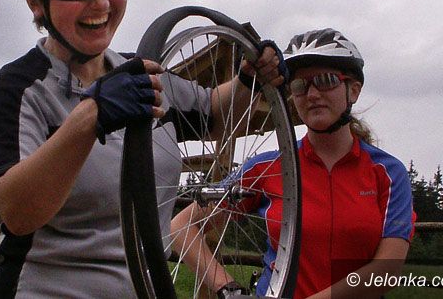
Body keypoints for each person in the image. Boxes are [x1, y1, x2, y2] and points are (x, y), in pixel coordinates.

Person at [0, 0, 285, 298]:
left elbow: (213, 115)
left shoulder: (142, 73)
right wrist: (91, 116)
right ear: (36, 2)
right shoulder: (17, 90)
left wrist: (248, 79)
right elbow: (18, 213)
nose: (101, 3)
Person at [171, 28, 415, 298]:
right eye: (299, 85)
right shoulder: (267, 167)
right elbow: (182, 226)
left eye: (325, 80)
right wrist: (229, 289)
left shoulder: (388, 173)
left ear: (353, 90)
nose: (312, 94)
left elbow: (386, 270)